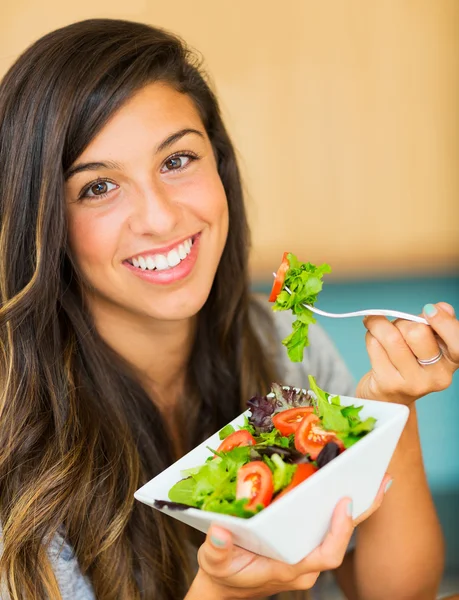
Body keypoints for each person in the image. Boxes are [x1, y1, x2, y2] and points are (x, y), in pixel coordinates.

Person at [0, 18, 457, 600]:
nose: (161, 218)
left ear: (220, 165)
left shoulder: (284, 344)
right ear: (43, 225)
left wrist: (393, 408)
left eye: (176, 161)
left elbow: (394, 592)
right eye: (97, 187)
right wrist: (221, 592)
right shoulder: (15, 443)